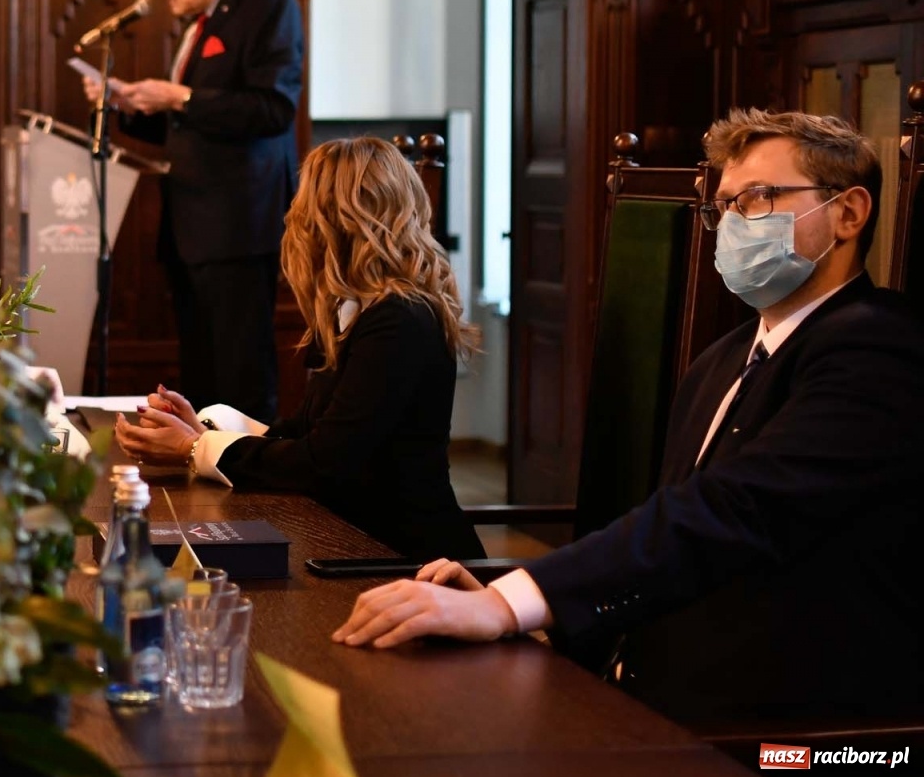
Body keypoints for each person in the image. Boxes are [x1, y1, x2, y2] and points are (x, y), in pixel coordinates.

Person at [331, 110, 924, 725]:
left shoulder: (877, 348)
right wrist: (540, 627)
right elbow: (664, 547)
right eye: (722, 206)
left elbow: (734, 511)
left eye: (757, 198)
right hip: (640, 679)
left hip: (790, 732)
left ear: (849, 213)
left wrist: (514, 603)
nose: (730, 225)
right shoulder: (721, 361)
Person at [113, 137, 486, 562]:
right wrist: (202, 432)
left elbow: (323, 463)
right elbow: (305, 433)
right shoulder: (361, 311)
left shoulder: (399, 319)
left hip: (406, 560)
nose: (293, 218)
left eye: (303, 204)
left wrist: (193, 450)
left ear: (333, 220)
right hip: (352, 541)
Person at [84, 0, 303, 423]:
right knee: (201, 372)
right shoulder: (202, 22)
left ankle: (249, 491)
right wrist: (130, 105)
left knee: (239, 373)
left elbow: (272, 109)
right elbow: (188, 127)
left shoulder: (268, 3)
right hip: (191, 227)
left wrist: (179, 96)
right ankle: (201, 472)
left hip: (238, 227)